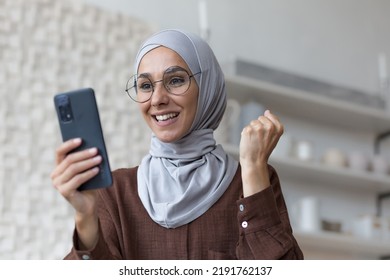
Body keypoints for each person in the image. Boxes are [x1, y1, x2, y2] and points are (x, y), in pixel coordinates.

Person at [51, 29, 304, 260]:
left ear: (207, 88)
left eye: (175, 81)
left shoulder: (254, 180)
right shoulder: (115, 192)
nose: (158, 99)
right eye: (146, 86)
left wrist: (253, 168)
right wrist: (85, 217)